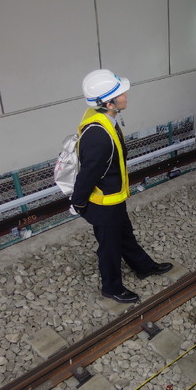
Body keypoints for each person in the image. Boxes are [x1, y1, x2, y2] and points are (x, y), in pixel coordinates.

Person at [71, 69, 173, 303]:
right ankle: (112, 287)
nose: (126, 95)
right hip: (103, 205)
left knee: (125, 235)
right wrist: (79, 203)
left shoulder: (105, 119)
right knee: (109, 247)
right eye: (121, 93)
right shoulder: (99, 136)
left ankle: (143, 266)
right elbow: (88, 175)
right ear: (109, 103)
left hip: (113, 200)